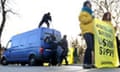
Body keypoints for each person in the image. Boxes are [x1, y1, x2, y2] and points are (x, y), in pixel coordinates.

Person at [78, 1, 94, 69]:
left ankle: (89, 63)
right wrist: (91, 18)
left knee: (92, 48)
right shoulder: (83, 12)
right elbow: (84, 21)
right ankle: (85, 63)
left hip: (92, 32)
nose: (89, 5)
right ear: (85, 5)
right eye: (88, 4)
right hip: (86, 32)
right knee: (89, 47)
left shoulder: (91, 14)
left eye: (90, 4)